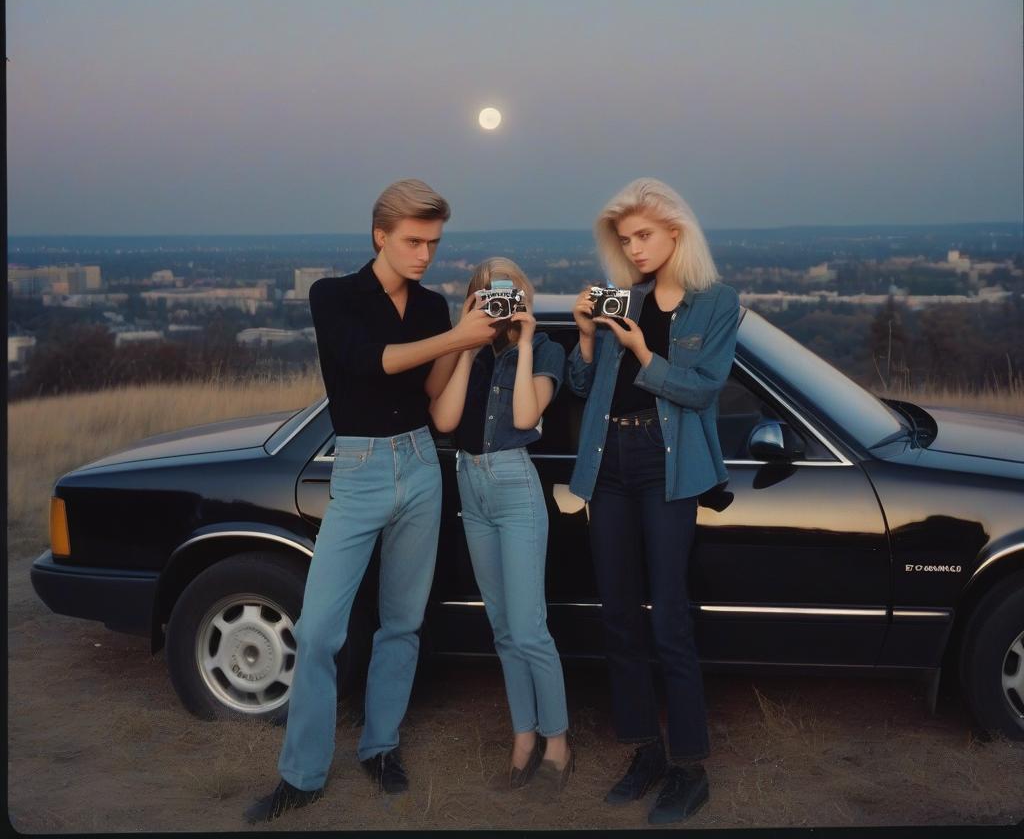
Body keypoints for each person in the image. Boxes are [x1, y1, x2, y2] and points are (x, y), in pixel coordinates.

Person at [246, 179, 499, 823]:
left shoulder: (435, 306)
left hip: (419, 464)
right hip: (357, 471)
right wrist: (453, 338)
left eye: (434, 243)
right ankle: (301, 775)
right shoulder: (333, 296)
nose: (423, 255)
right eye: (413, 241)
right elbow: (370, 364)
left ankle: (379, 748)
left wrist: (470, 343)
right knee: (320, 629)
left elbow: (435, 398)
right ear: (380, 235)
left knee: (402, 622)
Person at [566, 177, 739, 825]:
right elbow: (584, 387)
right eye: (625, 239)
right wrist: (587, 334)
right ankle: (645, 754)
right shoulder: (623, 299)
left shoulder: (715, 302)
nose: (633, 249)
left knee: (669, 617)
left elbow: (702, 390)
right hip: (609, 462)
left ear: (676, 231)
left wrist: (641, 350)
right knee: (619, 617)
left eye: (643, 235)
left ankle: (689, 768)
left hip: (669, 468)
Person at [429, 258, 574, 795]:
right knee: (503, 630)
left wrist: (527, 340)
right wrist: (465, 345)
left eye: (503, 293)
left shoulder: (546, 350)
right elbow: (445, 421)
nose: (496, 303)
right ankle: (523, 737)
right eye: (484, 294)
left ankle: (557, 740)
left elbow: (523, 418)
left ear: (522, 296)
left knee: (530, 627)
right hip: (471, 484)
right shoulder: (472, 355)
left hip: (515, 488)